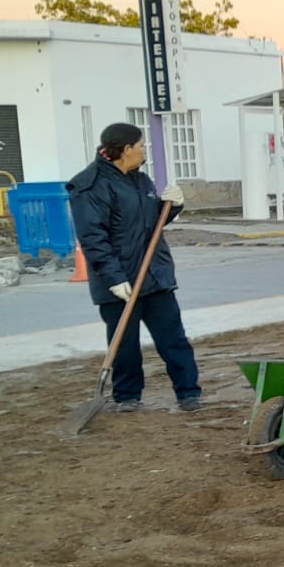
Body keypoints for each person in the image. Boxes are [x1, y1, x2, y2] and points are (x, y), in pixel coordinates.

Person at [67, 123, 199, 413]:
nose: (144, 153)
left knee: (173, 338)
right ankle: (127, 397)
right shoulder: (89, 186)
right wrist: (113, 278)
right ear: (125, 149)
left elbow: (151, 227)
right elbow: (93, 238)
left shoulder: (140, 181)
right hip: (117, 282)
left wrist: (172, 207)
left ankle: (188, 392)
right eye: (141, 146)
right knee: (124, 344)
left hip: (154, 275)